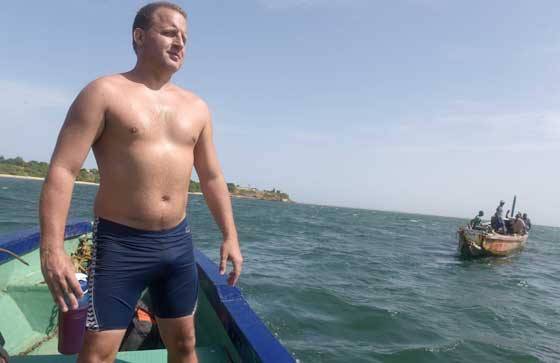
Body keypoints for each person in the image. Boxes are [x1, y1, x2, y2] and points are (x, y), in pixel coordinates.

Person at [38, 3, 243, 363]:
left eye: (184, 37)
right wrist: (52, 248)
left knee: (184, 344)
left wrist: (230, 235)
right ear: (139, 36)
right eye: (169, 33)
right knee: (99, 352)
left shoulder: (196, 107)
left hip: (176, 244)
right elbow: (63, 170)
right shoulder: (103, 93)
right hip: (120, 244)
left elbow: (211, 176)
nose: (180, 43)